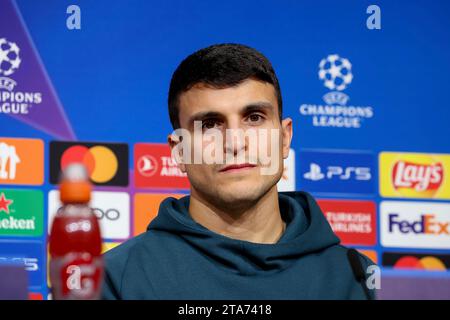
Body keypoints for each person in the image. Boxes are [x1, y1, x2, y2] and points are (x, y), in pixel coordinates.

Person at [102, 43, 377, 299]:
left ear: (284, 138)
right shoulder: (118, 280)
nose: (235, 142)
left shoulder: (357, 281)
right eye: (209, 124)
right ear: (179, 151)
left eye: (254, 118)